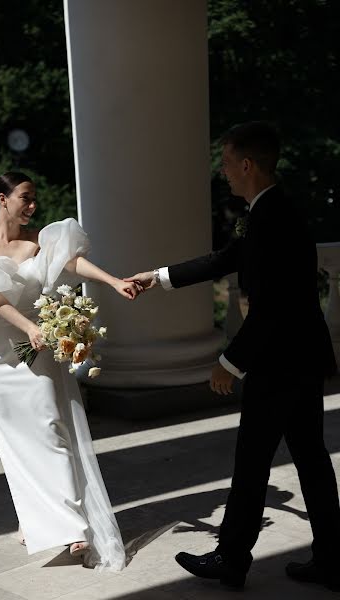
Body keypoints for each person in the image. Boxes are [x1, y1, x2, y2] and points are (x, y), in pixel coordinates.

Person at [124, 121, 340, 591]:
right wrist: (157, 276)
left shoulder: (271, 217)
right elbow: (226, 258)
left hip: (279, 360)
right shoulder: (273, 210)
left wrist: (230, 361)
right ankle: (330, 558)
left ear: (246, 164)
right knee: (310, 457)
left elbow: (276, 304)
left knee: (253, 460)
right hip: (300, 356)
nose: (221, 171)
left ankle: (232, 557)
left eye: (225, 162)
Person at [0, 172, 140, 571]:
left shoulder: (37, 242)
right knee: (14, 438)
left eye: (34, 199)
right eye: (26, 198)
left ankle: (73, 529)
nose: (33, 206)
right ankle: (40, 520)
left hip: (40, 347)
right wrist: (28, 327)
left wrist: (114, 281)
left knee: (51, 427)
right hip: (1, 350)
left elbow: (73, 261)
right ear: (3, 199)